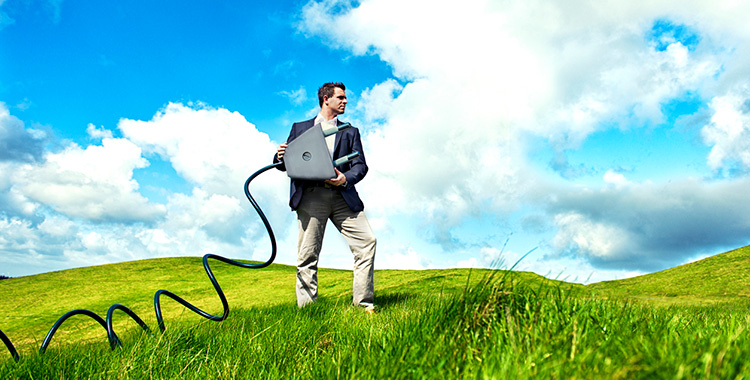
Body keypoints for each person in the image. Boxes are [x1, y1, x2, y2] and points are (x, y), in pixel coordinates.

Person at [273, 82, 377, 312]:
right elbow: (286, 164)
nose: (345, 101)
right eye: (340, 97)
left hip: (343, 196)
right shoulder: (300, 128)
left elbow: (360, 165)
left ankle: (364, 306)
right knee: (307, 254)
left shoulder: (350, 131)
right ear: (326, 99)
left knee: (367, 242)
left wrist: (344, 178)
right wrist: (280, 155)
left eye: (345, 98)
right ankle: (308, 311)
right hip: (311, 197)